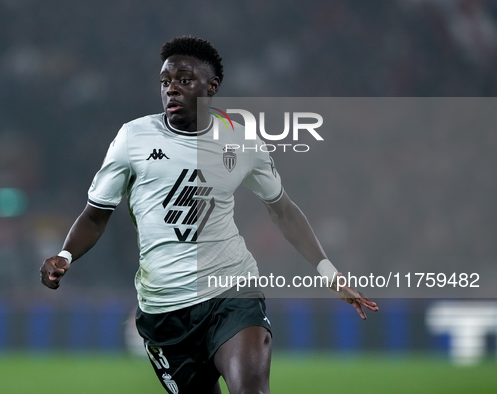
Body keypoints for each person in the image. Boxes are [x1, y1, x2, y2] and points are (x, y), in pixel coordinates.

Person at [40, 35, 378, 394]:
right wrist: (64, 255)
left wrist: (327, 270)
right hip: (164, 309)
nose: (171, 90)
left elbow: (283, 211)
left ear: (211, 86)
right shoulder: (133, 138)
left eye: (184, 80)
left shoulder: (242, 141)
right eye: (165, 82)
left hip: (232, 292)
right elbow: (95, 215)